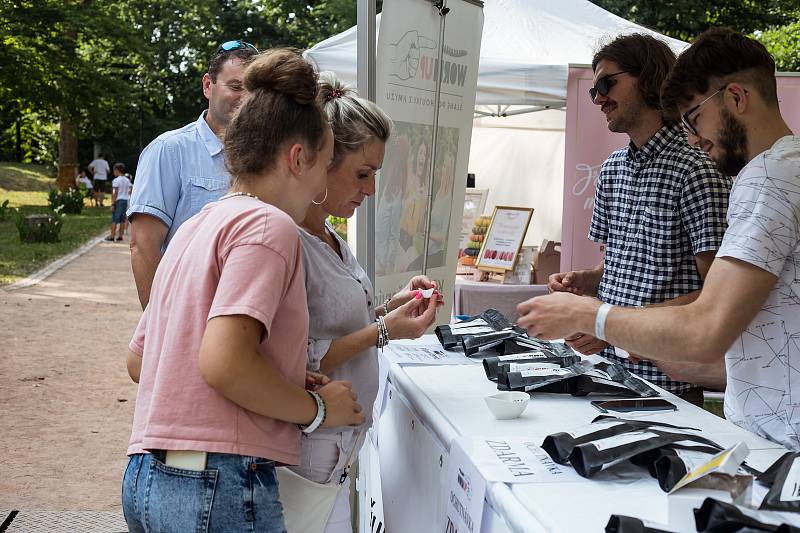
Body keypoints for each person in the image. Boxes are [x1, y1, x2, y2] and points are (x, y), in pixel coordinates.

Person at [517, 29, 799, 449]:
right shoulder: (780, 170)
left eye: (694, 117)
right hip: (764, 422)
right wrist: (593, 291)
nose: (693, 137)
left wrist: (591, 317)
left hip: (772, 435)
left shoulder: (766, 177)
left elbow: (708, 323)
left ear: (736, 98)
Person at [121, 49, 365, 532]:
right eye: (325, 162)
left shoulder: (197, 225)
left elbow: (139, 360)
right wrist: (316, 409)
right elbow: (225, 363)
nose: (322, 184)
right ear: (298, 158)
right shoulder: (268, 226)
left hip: (149, 476)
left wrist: (280, 376)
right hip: (219, 484)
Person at [545, 33, 731, 405]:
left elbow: (718, 294)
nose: (598, 98)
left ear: (648, 79)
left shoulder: (697, 169)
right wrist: (586, 279)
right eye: (593, 89)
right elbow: (616, 261)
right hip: (604, 371)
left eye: (606, 83)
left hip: (668, 383)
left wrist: (611, 325)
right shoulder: (613, 168)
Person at [293, 72, 442, 533]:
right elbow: (295, 355)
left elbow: (335, 326)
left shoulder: (330, 235)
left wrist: (387, 309)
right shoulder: (289, 241)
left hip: (335, 449)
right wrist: (382, 331)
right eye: (363, 174)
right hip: (308, 452)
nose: (371, 190)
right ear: (320, 160)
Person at [127, 39, 258, 309]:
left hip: (247, 315)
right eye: (235, 86)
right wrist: (159, 324)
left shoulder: (265, 156)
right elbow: (144, 245)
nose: (244, 97)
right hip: (188, 313)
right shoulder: (169, 150)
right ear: (208, 85)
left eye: (253, 90)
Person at [106, 163, 132, 242]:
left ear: (117, 170)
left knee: (114, 219)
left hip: (118, 200)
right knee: (122, 220)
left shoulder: (116, 180)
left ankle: (112, 236)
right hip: (125, 200)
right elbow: (130, 190)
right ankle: (120, 236)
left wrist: (113, 203)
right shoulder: (127, 180)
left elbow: (115, 192)